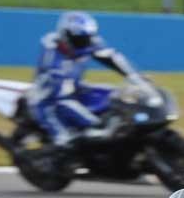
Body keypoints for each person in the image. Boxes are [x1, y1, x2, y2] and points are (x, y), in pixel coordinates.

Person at [27, 11, 139, 147]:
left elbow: (111, 57)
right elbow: (59, 92)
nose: (85, 44)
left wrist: (134, 76)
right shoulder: (52, 55)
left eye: (87, 38)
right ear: (66, 36)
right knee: (69, 140)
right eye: (80, 40)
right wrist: (94, 124)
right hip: (48, 99)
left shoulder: (88, 42)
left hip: (73, 88)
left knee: (112, 95)